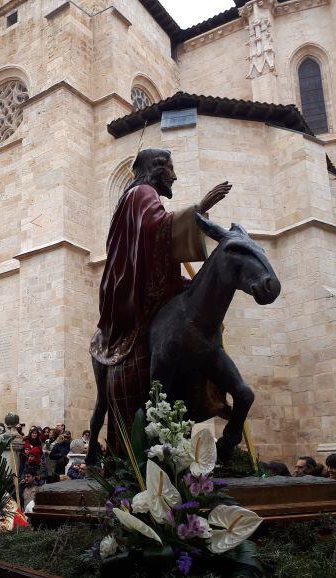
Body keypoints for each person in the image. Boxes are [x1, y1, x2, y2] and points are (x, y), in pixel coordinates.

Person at [88, 148, 231, 461]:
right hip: (139, 295)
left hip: (153, 283)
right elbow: (155, 228)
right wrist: (201, 207)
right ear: (155, 168)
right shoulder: (141, 193)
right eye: (170, 169)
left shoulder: (139, 195)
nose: (175, 176)